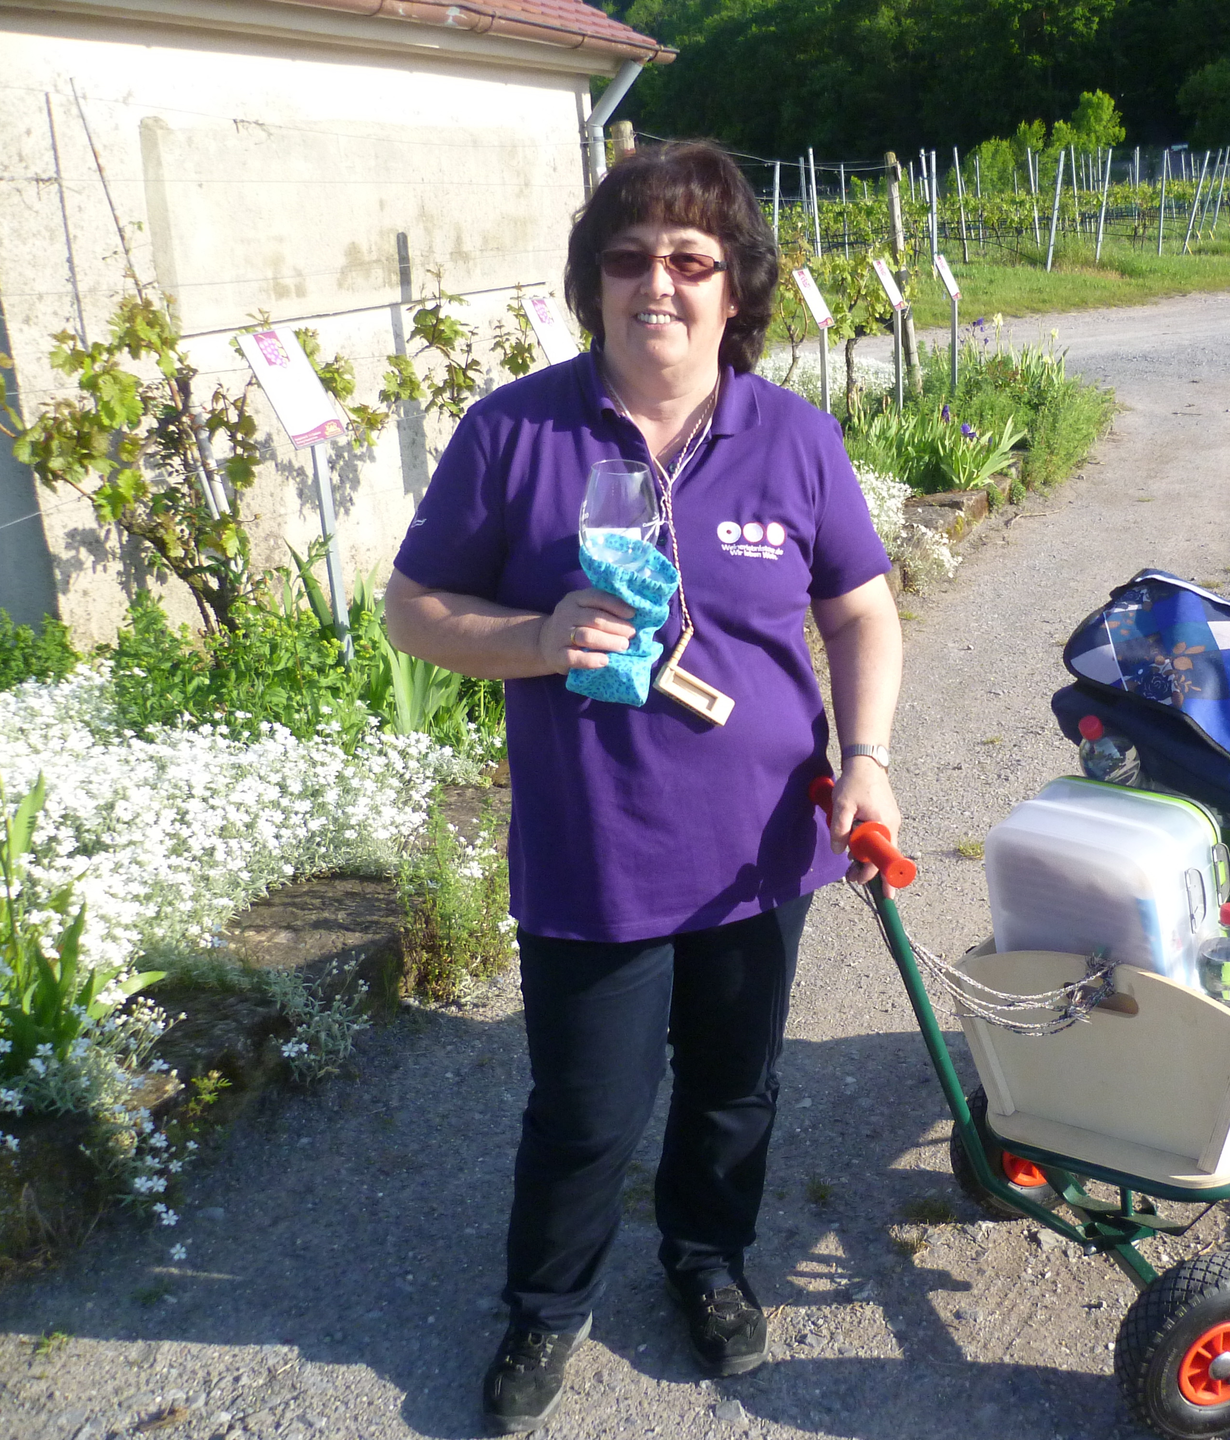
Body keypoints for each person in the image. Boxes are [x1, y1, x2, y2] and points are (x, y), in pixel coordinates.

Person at [383, 141, 903, 1434]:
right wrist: (534, 637)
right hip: (595, 849)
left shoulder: (794, 437)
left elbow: (860, 612)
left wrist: (867, 757)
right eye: (627, 258)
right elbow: (413, 608)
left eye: (689, 259)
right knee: (586, 1113)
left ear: (736, 287)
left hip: (760, 849)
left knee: (734, 1090)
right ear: (593, 283)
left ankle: (706, 1262)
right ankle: (545, 1306)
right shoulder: (516, 433)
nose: (656, 283)